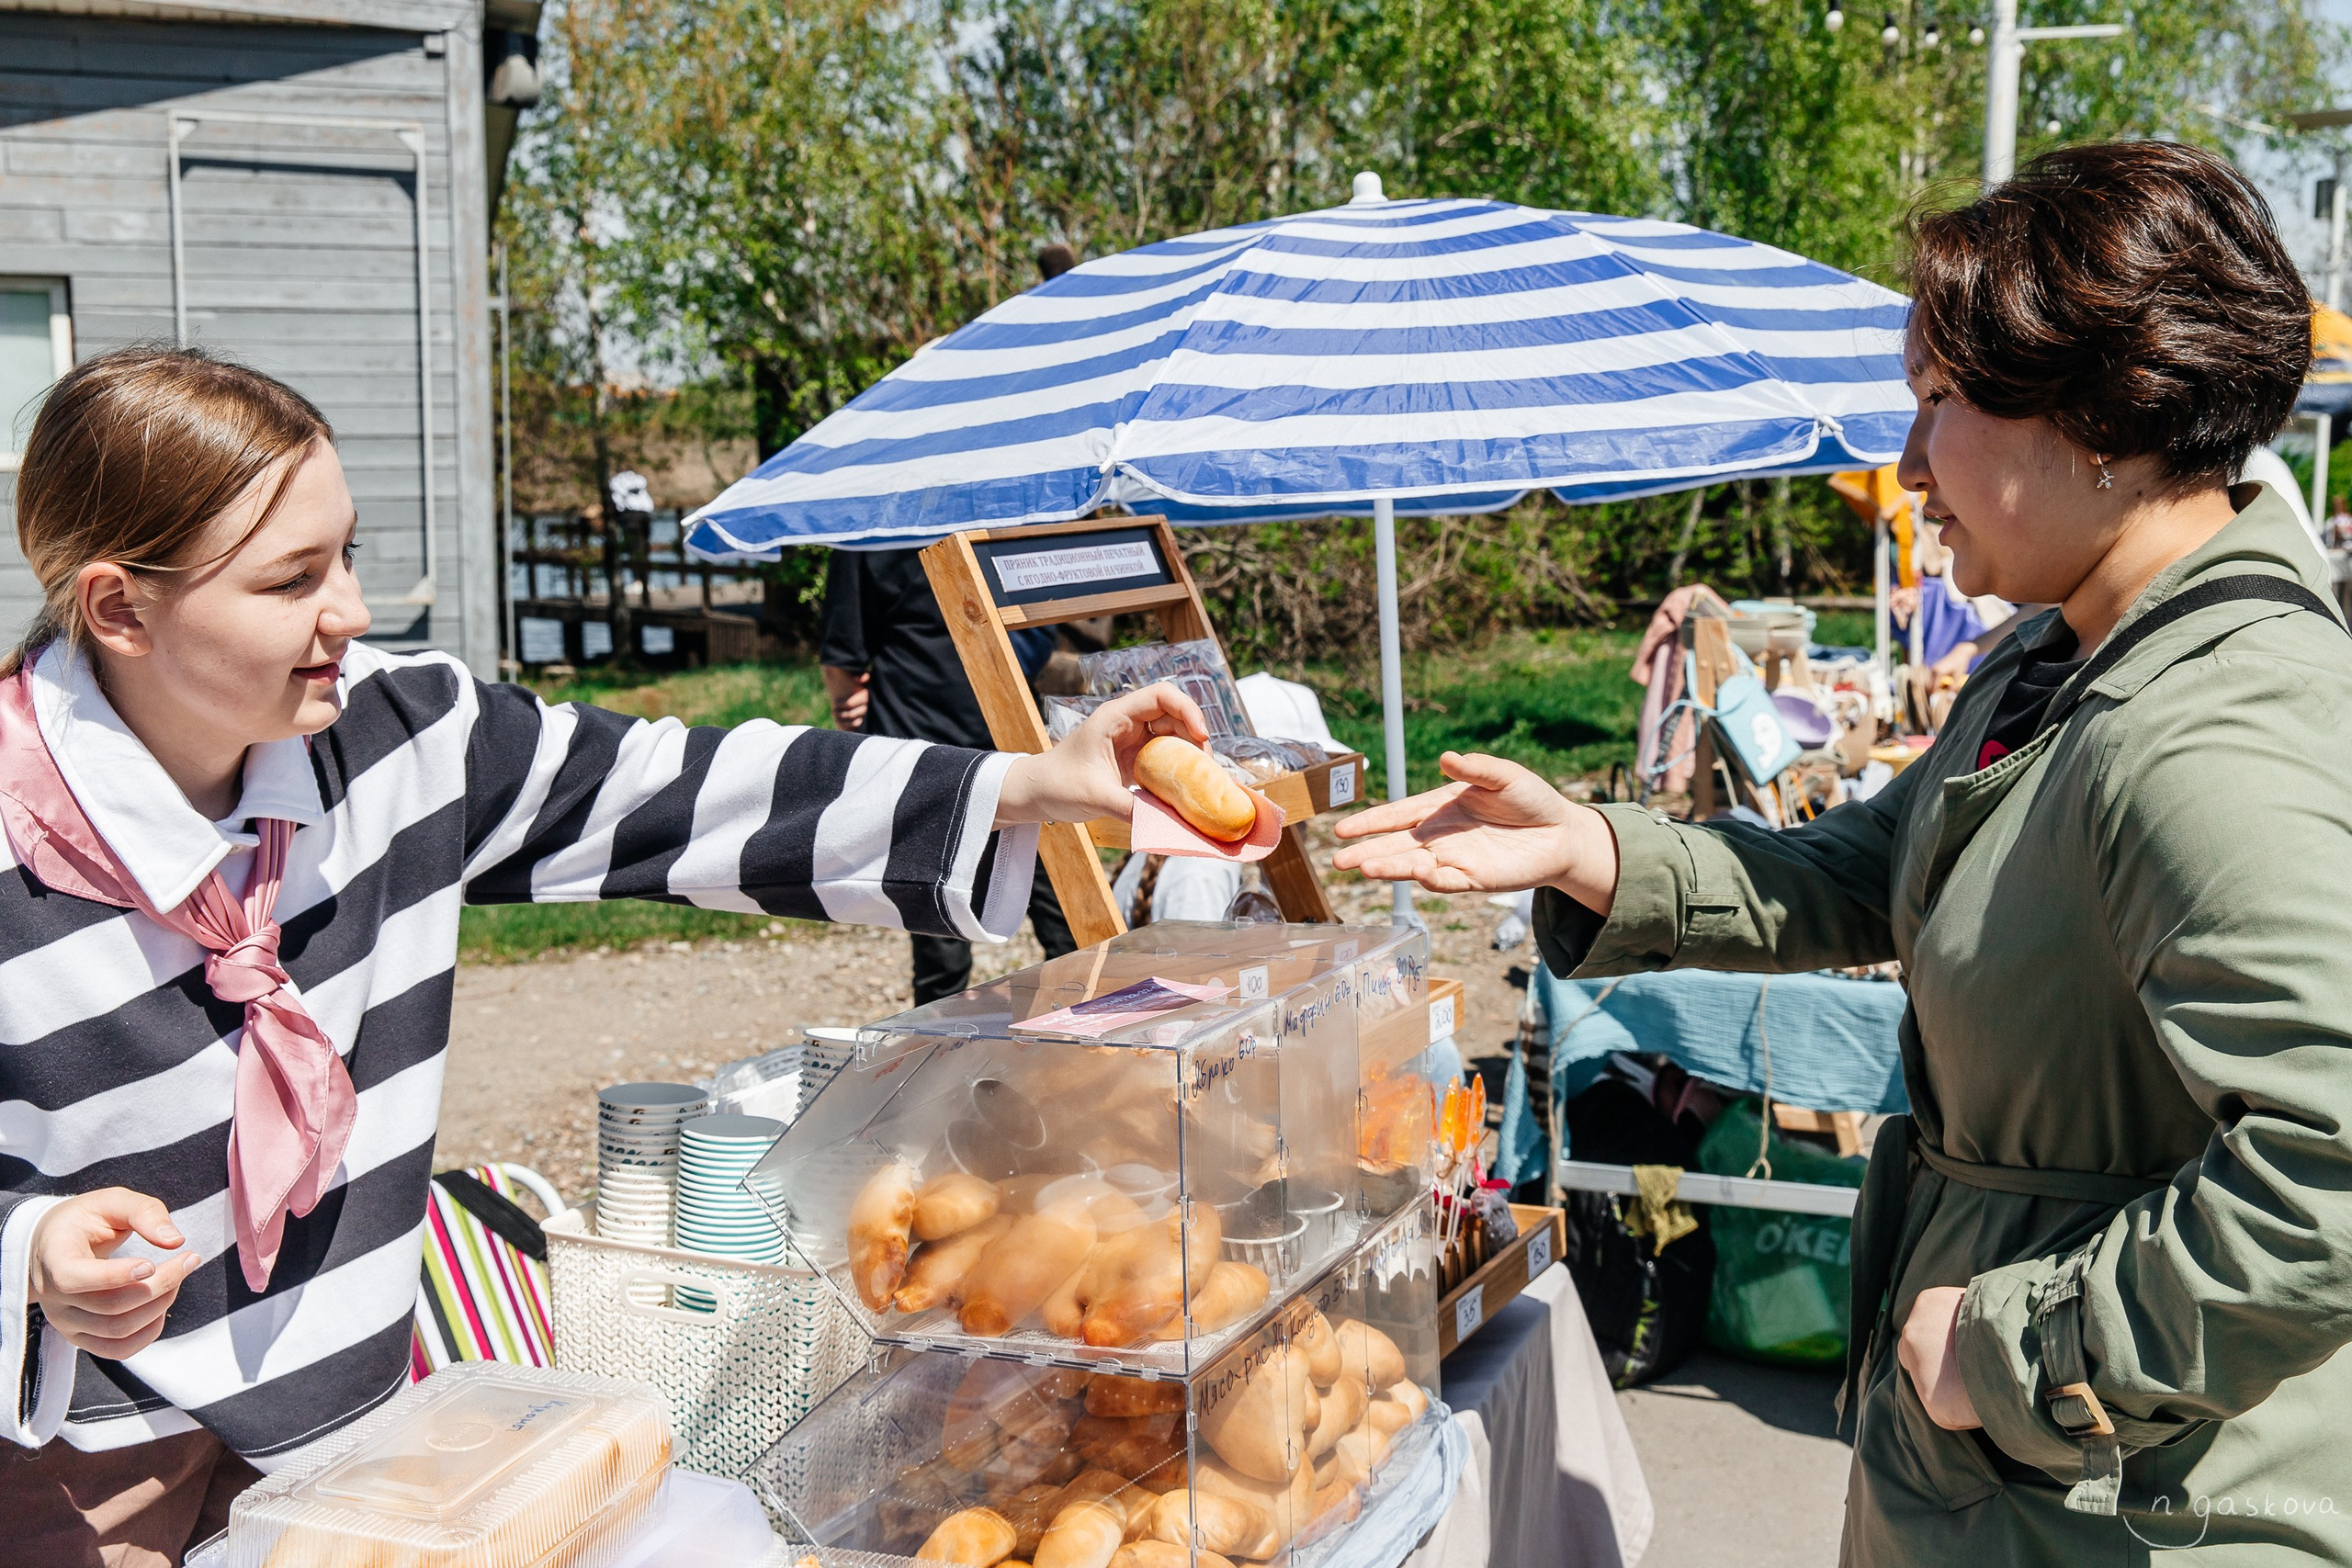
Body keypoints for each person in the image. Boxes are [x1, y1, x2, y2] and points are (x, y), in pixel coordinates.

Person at [0, 345, 1204, 1562]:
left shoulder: (404, 733)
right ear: (117, 607)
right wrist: (31, 1255)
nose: (350, 612)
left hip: (346, 1428)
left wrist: (1029, 782)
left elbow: (690, 789)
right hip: (84, 1456)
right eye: (291, 580)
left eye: (348, 555)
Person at [1335, 142, 2352, 1562]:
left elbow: (2332, 1164)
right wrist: (1595, 855)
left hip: (2125, 1505)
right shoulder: (2059, 654)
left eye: (1940, 402)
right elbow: (1876, 867)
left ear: (2102, 410)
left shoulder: (2213, 730)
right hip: (2014, 1480)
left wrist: (2017, 1351)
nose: (1912, 461)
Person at [820, 548, 1077, 1002]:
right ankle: (1094, 1031)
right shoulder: (1006, 521)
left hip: (922, 754)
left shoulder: (867, 534)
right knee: (1065, 914)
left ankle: (938, 1050)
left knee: (942, 939)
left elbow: (843, 657)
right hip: (1013, 741)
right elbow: (1037, 636)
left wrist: (847, 704)